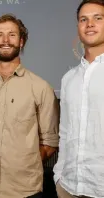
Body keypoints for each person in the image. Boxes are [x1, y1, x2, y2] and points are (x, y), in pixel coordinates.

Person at [0, 14, 60, 198]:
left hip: (25, 191)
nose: (5, 40)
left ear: (21, 42)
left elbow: (49, 143)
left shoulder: (41, 87)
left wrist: (24, 165)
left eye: (12, 35)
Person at [53, 0, 104, 197]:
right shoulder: (69, 79)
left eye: (97, 18)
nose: (89, 24)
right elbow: (65, 133)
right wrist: (59, 175)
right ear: (78, 27)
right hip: (69, 187)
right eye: (84, 19)